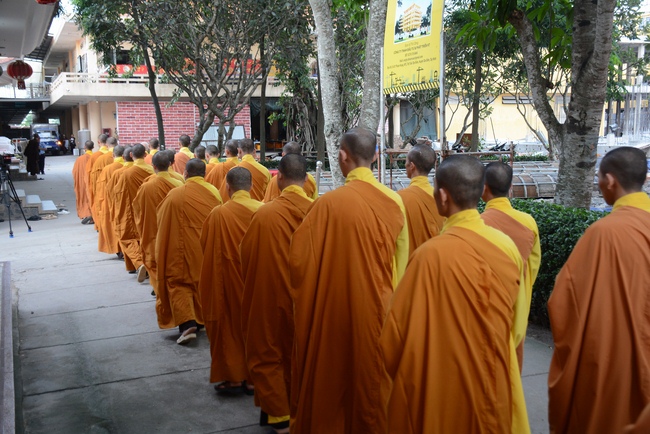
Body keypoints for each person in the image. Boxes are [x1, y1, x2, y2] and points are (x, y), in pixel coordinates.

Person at [380, 154, 529, 434]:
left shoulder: (428, 256)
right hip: (493, 380)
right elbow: (517, 326)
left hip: (442, 385)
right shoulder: (506, 247)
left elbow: (394, 339)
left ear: (443, 196)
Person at [288, 127, 408, 433]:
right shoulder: (394, 202)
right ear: (376, 156)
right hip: (378, 311)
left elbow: (300, 261)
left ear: (342, 156)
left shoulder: (327, 204)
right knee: (371, 384)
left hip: (333, 311)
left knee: (333, 382)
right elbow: (400, 264)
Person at [548, 146, 650, 434]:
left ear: (610, 181)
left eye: (599, 178)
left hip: (615, 363)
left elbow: (565, 302)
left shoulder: (605, 233)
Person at [240, 154, 313, 434]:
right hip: (308, 298)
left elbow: (247, 256)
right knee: (303, 353)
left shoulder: (264, 214)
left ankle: (280, 414)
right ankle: (304, 408)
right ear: (306, 179)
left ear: (278, 177)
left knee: (268, 352)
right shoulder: (319, 211)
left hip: (271, 296)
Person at [198, 167, 263, 394]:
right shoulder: (264, 211)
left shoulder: (218, 215)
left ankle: (234, 378)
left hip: (229, 281)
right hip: (258, 282)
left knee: (229, 327)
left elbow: (205, 246)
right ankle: (255, 378)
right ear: (251, 186)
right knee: (259, 328)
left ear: (227, 187)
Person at [481, 161, 541, 371]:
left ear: (483, 188)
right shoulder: (528, 222)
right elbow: (533, 266)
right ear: (511, 187)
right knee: (512, 364)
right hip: (517, 302)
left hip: (486, 305)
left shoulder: (478, 223)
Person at [155, 158, 222, 344]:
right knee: (199, 282)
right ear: (205, 174)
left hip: (183, 248)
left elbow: (162, 218)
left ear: (185, 173)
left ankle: (187, 324)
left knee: (178, 282)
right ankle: (200, 321)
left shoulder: (175, 194)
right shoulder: (214, 192)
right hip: (205, 247)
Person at [132, 152, 183, 296]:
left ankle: (158, 286)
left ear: (153, 166)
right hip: (173, 228)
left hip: (153, 228)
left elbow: (137, 208)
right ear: (170, 164)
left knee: (154, 258)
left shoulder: (146, 186)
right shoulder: (179, 183)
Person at [113, 144, 154, 277]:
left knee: (128, 236)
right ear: (145, 154)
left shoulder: (126, 174)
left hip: (132, 209)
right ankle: (149, 264)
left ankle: (139, 262)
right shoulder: (153, 171)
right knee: (148, 236)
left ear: (131, 155)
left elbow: (117, 194)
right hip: (150, 209)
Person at [396, 144, 444, 255]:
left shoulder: (400, 198)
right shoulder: (441, 200)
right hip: (438, 259)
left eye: (406, 161)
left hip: (410, 261)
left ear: (412, 166)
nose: (405, 164)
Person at [96, 145, 126, 256]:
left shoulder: (108, 169)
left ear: (113, 155)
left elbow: (101, 189)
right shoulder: (131, 168)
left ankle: (117, 248)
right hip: (127, 202)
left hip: (111, 202)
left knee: (113, 225)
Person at [89, 136, 118, 231]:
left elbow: (94, 180)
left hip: (105, 193)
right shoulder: (125, 156)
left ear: (106, 145)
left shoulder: (99, 159)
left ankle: (104, 227)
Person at [86, 134, 110, 226]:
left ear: (98, 142)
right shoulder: (113, 155)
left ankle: (100, 223)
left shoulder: (94, 156)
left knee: (100, 205)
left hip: (99, 186)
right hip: (113, 185)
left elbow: (89, 174)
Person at [72, 140, 94, 223]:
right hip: (93, 182)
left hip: (83, 182)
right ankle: (93, 215)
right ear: (93, 147)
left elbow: (75, 172)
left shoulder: (80, 159)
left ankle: (88, 213)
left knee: (85, 197)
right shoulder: (96, 157)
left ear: (85, 147)